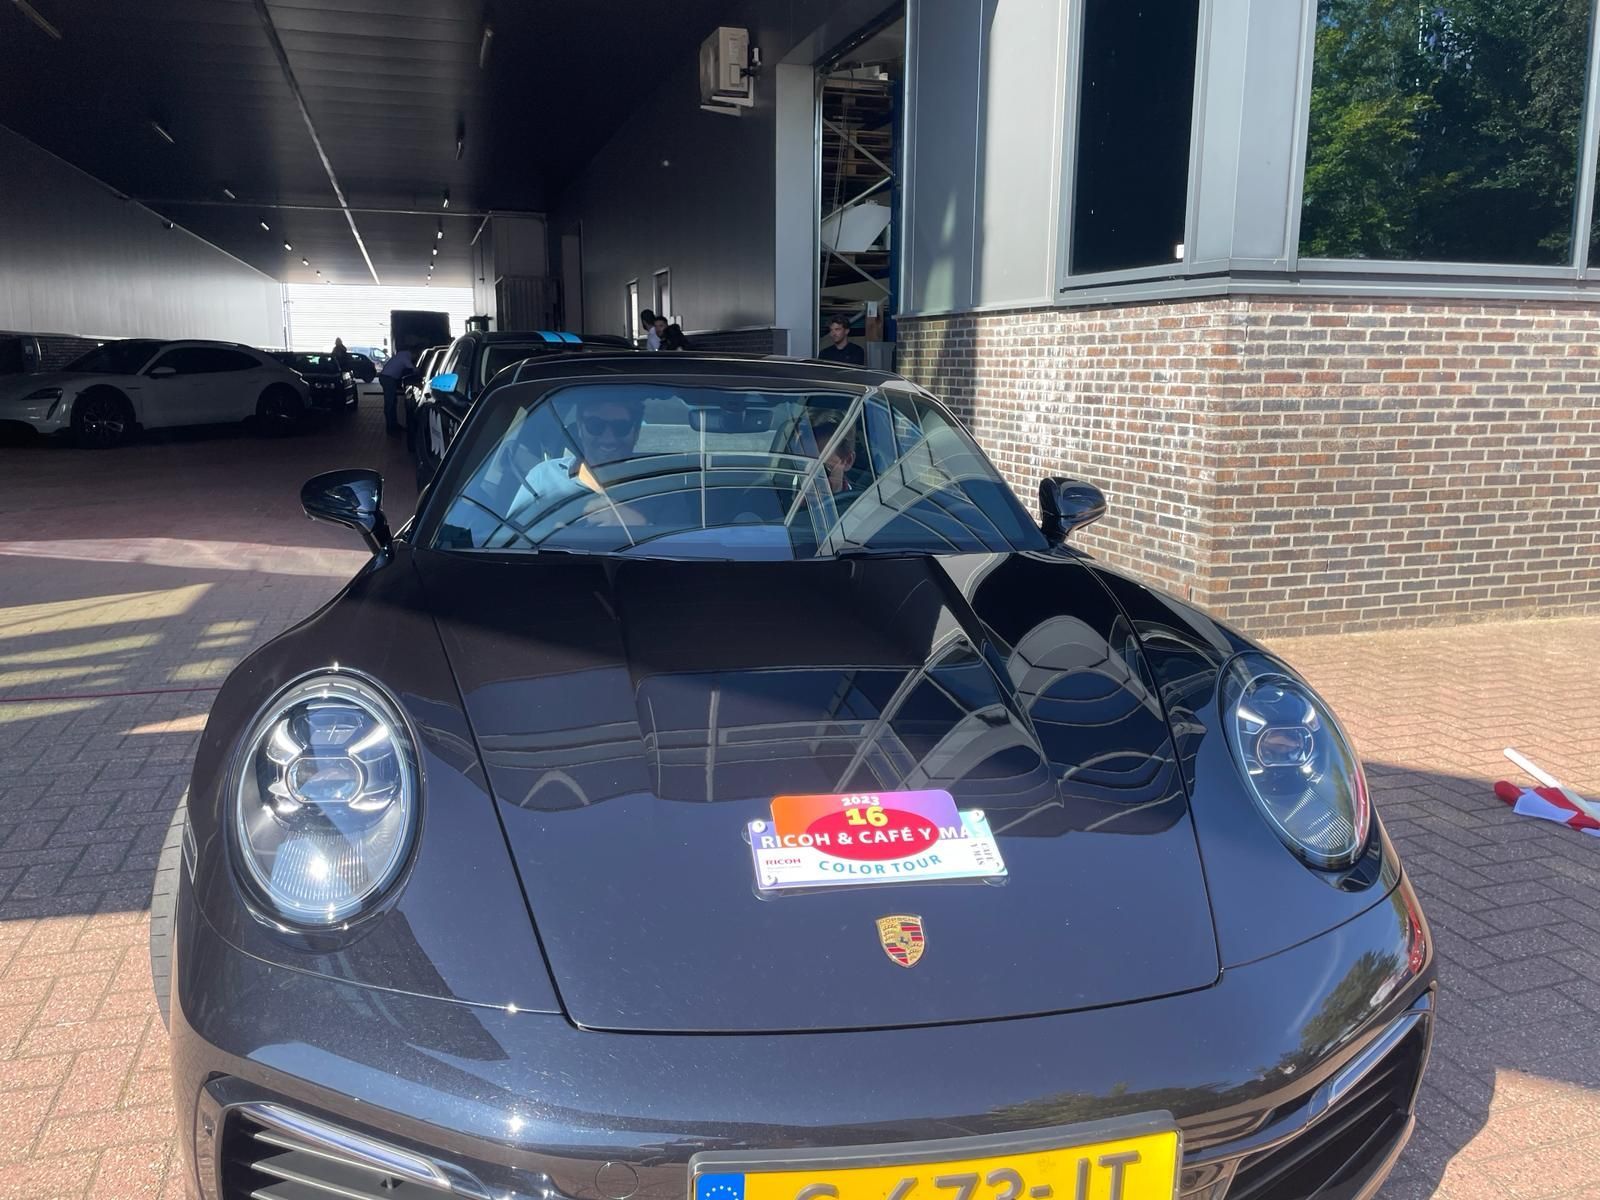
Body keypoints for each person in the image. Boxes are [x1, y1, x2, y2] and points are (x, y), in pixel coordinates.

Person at [806, 409, 857, 495]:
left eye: (823, 471)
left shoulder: (860, 501)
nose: (810, 480)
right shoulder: (784, 492)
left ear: (848, 461)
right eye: (802, 464)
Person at [377, 344, 414, 434]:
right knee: (390, 403)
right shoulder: (405, 356)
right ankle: (391, 427)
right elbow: (411, 367)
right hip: (388, 379)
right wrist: (417, 370)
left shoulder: (401, 355)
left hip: (386, 378)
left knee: (392, 401)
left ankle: (393, 424)